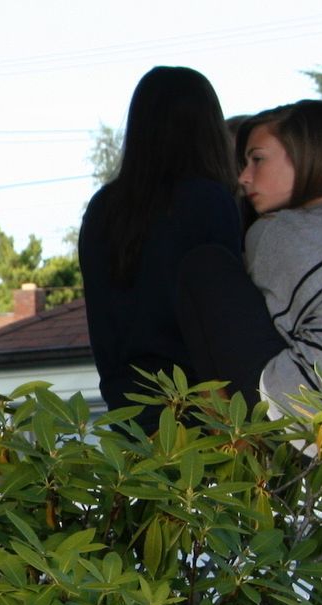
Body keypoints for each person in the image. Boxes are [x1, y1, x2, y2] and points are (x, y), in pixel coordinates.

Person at [75, 67, 243, 409]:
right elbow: (226, 311)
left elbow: (102, 318)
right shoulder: (210, 200)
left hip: (127, 400)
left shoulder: (103, 207)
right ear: (209, 128)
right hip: (203, 403)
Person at [236, 100, 322, 412]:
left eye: (257, 159)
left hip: (314, 406)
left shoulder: (275, 229)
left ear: (306, 154)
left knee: (203, 265)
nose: (244, 177)